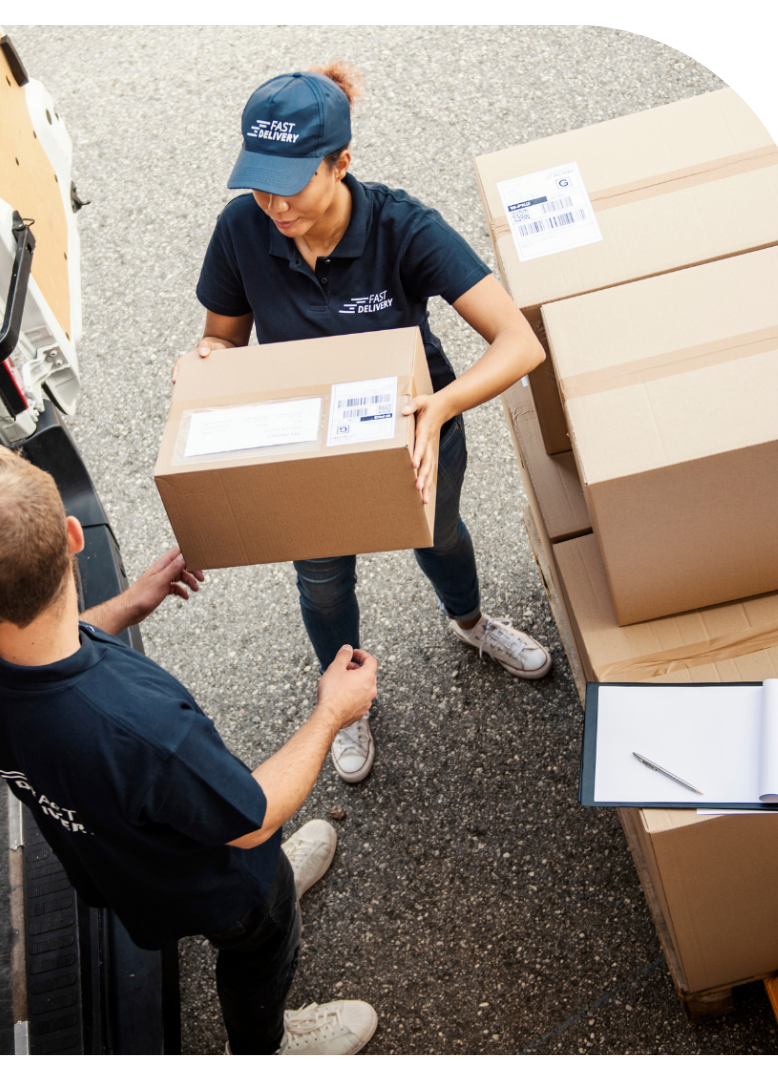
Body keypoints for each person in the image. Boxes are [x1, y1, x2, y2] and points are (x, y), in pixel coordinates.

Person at [0, 443, 380, 1056]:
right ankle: (268, 1043)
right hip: (220, 877)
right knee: (261, 938)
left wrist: (131, 604)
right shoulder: (142, 726)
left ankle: (280, 880)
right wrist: (332, 713)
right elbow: (251, 818)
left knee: (253, 871)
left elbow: (34, 649)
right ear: (74, 537)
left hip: (113, 865)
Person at [174, 62, 552, 786]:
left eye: (291, 182)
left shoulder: (403, 227)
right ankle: (344, 702)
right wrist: (208, 359)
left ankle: (472, 625)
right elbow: (223, 335)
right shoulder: (241, 229)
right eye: (258, 181)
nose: (272, 203)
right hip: (307, 448)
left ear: (341, 163)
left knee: (440, 536)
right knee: (321, 582)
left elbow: (520, 342)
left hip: (416, 424)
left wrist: (441, 406)